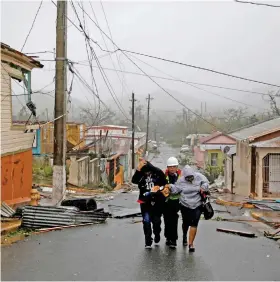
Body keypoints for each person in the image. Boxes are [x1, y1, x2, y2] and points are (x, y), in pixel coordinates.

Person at [164, 165, 209, 252]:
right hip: (185, 204)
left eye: (191, 177)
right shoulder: (181, 181)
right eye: (188, 177)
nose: (190, 179)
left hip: (197, 203)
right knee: (186, 222)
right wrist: (170, 186)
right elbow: (176, 189)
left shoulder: (199, 176)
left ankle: (191, 244)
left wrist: (204, 187)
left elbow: (206, 183)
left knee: (194, 223)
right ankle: (184, 234)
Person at [132, 158, 167, 249]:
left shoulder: (157, 173)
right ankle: (148, 241)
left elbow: (164, 180)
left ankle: (157, 234)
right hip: (144, 201)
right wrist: (138, 170)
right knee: (146, 221)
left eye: (148, 170)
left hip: (157, 201)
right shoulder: (141, 175)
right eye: (145, 171)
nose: (147, 173)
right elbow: (134, 180)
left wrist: (152, 167)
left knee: (156, 221)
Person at [163, 157, 182, 248]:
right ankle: (168, 237)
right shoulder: (164, 175)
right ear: (167, 167)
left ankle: (174, 240)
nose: (172, 168)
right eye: (170, 167)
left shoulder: (181, 176)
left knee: (174, 220)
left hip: (177, 201)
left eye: (174, 167)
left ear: (177, 167)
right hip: (166, 201)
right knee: (167, 220)